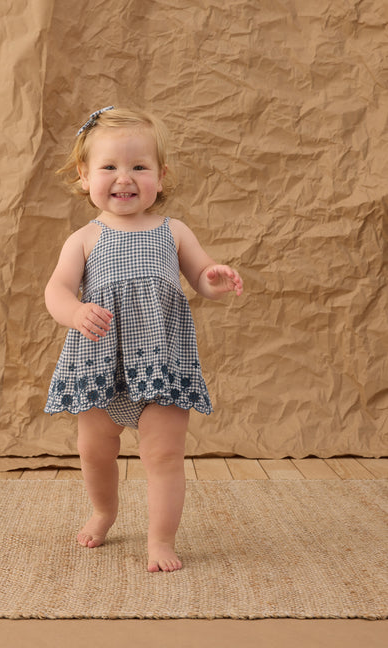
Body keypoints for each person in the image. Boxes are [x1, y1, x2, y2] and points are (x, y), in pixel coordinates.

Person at [44, 107, 243, 572]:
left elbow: (201, 276)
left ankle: (161, 539)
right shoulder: (84, 238)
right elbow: (56, 290)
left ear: (161, 175)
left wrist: (214, 279)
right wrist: (75, 311)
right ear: (84, 175)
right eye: (109, 166)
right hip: (101, 366)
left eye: (139, 166)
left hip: (161, 364)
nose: (124, 178)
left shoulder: (173, 232)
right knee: (95, 451)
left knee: (166, 455)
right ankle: (104, 511)